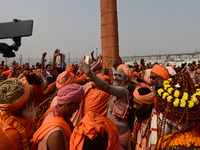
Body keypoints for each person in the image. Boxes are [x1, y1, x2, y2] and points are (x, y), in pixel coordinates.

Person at [79, 58, 132, 149]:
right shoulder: (115, 91)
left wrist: (90, 74)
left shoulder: (123, 91)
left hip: (120, 137)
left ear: (126, 79)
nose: (116, 77)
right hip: (112, 135)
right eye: (115, 75)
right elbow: (113, 80)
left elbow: (107, 87)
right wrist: (112, 68)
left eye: (120, 76)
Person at [33, 83, 84, 150]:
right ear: (68, 104)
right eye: (77, 104)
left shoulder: (51, 112)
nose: (77, 108)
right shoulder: (57, 133)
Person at [0, 78, 36, 150]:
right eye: (29, 99)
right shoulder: (8, 135)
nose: (33, 102)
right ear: (24, 104)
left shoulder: (25, 116)